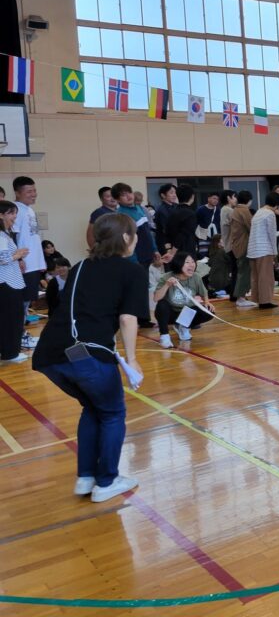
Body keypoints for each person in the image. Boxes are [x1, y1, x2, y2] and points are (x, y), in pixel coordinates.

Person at [31, 213, 148, 502]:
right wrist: (132, 359)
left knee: (93, 408)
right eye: (134, 234)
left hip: (51, 353)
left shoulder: (81, 266)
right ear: (126, 238)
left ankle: (86, 477)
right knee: (112, 413)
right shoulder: (132, 271)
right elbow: (127, 318)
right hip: (87, 355)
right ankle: (107, 481)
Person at [152, 251, 214, 348]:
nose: (192, 265)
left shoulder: (196, 277)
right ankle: (164, 336)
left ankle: (183, 326)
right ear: (179, 263)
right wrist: (167, 285)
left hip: (187, 313)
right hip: (171, 314)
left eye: (193, 262)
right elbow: (156, 298)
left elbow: (204, 293)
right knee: (162, 304)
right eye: (187, 262)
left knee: (209, 311)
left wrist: (207, 302)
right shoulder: (166, 277)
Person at [12, 176, 46, 351]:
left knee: (26, 302)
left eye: (34, 190)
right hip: (24, 265)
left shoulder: (29, 210)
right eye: (29, 191)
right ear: (17, 193)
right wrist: (18, 259)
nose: (33, 194)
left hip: (33, 264)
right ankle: (18, 337)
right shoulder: (16, 210)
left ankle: (21, 334)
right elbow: (12, 235)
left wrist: (41, 261)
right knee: (21, 303)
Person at [0, 200, 29, 363]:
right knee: (11, 320)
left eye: (15, 213)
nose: (14, 216)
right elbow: (2, 258)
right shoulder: (1, 236)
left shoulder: (5, 234)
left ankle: (8, 351)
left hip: (10, 282)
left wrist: (17, 255)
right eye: (11, 213)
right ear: (1, 215)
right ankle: (11, 353)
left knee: (9, 319)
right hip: (7, 283)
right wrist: (17, 255)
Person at [247, 191, 279, 309]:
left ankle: (258, 299)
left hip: (253, 250)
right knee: (266, 276)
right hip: (264, 249)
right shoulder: (270, 214)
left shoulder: (259, 212)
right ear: (276, 204)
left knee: (256, 277)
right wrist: (275, 253)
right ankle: (265, 301)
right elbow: (272, 235)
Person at [230, 190, 256, 307]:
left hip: (237, 245)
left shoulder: (236, 210)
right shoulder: (244, 210)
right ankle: (240, 298)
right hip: (243, 245)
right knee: (244, 272)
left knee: (242, 271)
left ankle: (241, 297)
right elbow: (252, 227)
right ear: (249, 200)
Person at [165, 184, 199, 255]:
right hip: (186, 252)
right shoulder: (190, 214)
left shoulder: (172, 212)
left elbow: (166, 233)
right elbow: (183, 235)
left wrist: (169, 250)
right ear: (192, 196)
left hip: (173, 249)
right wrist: (172, 253)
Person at [153, 183, 178, 255]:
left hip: (176, 242)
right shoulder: (161, 210)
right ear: (163, 195)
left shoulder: (176, 206)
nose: (174, 195)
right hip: (167, 244)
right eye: (171, 193)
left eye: (175, 193)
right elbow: (166, 230)